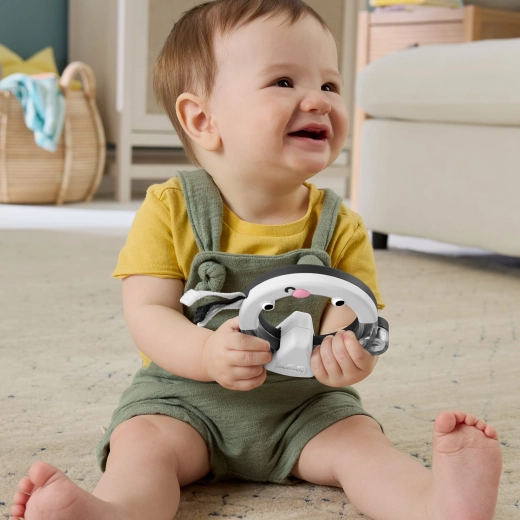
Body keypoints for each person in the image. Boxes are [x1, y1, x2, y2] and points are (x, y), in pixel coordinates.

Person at [10, 1, 502, 519]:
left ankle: (437, 504)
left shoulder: (341, 225)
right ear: (203, 119)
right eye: (284, 81)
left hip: (303, 406)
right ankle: (115, 510)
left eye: (330, 84)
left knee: (361, 444)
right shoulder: (170, 208)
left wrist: (348, 353)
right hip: (183, 400)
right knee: (142, 447)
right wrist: (205, 353)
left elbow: (353, 314)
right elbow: (147, 312)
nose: (319, 99)